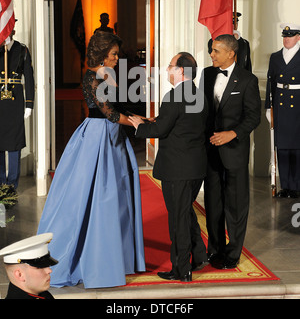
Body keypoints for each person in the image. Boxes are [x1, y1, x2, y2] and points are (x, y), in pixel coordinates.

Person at [37, 31, 145, 289]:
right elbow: (107, 113)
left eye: (117, 54)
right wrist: (135, 123)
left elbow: (118, 109)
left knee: (118, 198)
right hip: (96, 138)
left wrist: (141, 119)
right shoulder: (91, 77)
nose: (117, 58)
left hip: (115, 138)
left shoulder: (113, 74)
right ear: (101, 53)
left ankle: (117, 256)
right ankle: (83, 257)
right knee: (96, 197)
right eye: (114, 54)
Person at [129, 52, 208, 282]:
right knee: (186, 213)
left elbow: (160, 131)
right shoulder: (199, 94)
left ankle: (182, 270)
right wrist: (157, 120)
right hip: (195, 166)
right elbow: (182, 123)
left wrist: (139, 126)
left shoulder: (173, 96)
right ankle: (200, 256)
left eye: (170, 66)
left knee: (178, 219)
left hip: (177, 169)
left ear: (181, 71)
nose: (167, 70)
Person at [203, 34, 261, 269]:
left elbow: (253, 117)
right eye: (212, 50)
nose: (211, 54)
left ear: (231, 53)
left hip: (234, 150)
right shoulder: (207, 74)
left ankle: (233, 252)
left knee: (236, 204)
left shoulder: (248, 80)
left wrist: (232, 134)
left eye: (216, 51)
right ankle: (214, 249)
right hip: (210, 149)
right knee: (213, 202)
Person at [266, 23, 300, 198]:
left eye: (291, 35)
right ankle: (286, 186)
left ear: (298, 37)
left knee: (297, 148)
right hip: (280, 105)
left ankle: (297, 186)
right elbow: (270, 83)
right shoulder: (275, 57)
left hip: (298, 106)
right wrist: (267, 107)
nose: (287, 39)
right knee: (283, 148)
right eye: (285, 36)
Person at [0, 28, 34, 191]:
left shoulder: (22, 50)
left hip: (15, 101)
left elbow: (28, 77)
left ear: (13, 30)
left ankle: (11, 187)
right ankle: (0, 185)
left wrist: (29, 104)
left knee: (14, 144)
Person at [0, 233, 58, 299]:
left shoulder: (43, 294)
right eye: (40, 267)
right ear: (20, 275)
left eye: (46, 265)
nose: (49, 270)